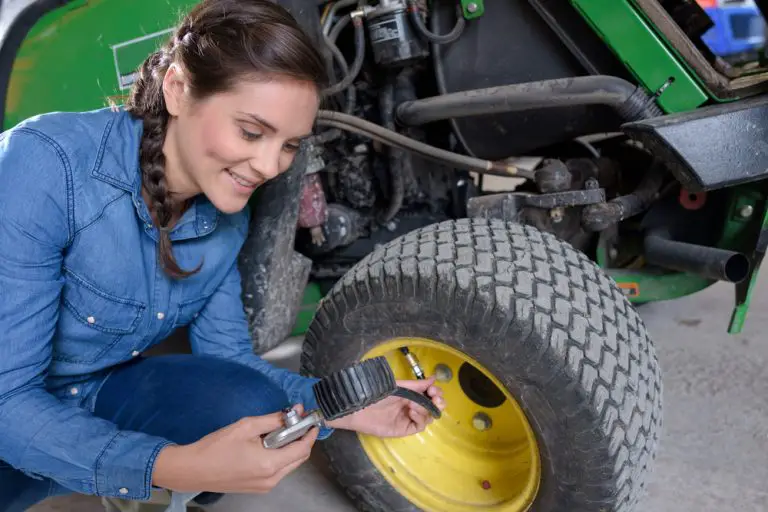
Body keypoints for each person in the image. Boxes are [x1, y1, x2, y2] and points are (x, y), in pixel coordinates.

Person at [0, 0, 445, 510]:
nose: (267, 165)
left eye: (289, 145)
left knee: (248, 404)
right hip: (10, 407)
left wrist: (340, 408)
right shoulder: (44, 165)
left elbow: (230, 361)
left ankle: (95, 468)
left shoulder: (227, 217)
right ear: (178, 89)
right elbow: (6, 401)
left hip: (92, 394)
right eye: (252, 132)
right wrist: (173, 466)